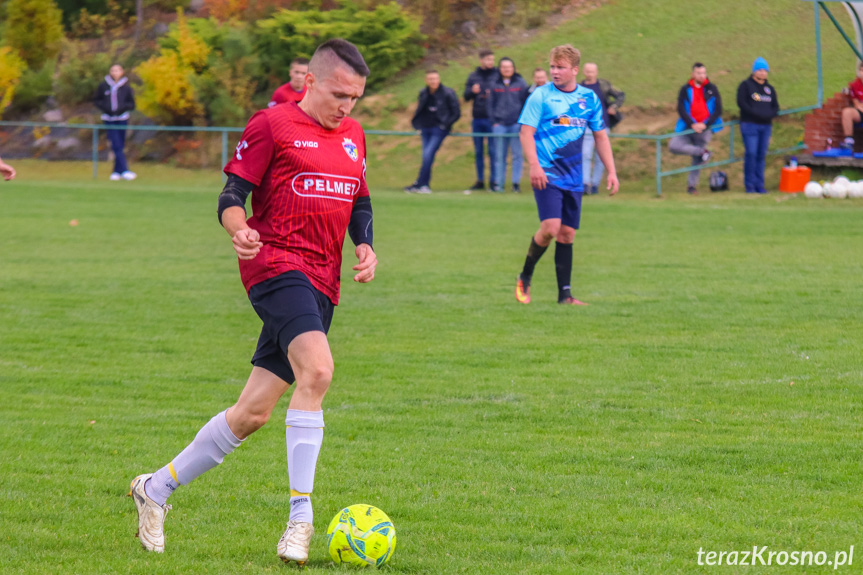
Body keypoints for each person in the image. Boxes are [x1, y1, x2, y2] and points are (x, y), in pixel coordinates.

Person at [128, 39, 377, 567]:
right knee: (318, 371)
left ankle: (155, 488)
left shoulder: (353, 134)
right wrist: (239, 230)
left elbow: (359, 197)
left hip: (323, 280)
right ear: (310, 81)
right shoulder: (271, 125)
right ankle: (300, 520)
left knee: (253, 413)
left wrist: (365, 243)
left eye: (356, 97)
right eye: (339, 94)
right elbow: (230, 196)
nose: (347, 107)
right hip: (275, 265)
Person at [515, 44, 619, 306]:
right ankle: (525, 274)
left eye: (560, 67)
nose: (555, 71)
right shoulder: (540, 95)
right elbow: (525, 133)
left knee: (567, 234)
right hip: (547, 174)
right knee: (550, 228)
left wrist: (612, 171)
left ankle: (565, 296)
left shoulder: (589, 99)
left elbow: (600, 136)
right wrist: (534, 165)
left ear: (574, 70)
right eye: (552, 66)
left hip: (573, 177)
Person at [668, 62, 723, 195]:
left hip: (705, 128)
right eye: (699, 73)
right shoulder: (685, 89)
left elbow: (718, 109)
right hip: (688, 127)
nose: (702, 75)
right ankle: (702, 152)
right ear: (693, 74)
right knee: (673, 145)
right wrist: (692, 124)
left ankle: (692, 186)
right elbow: (681, 108)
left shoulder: (712, 89)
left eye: (704, 73)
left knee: (696, 160)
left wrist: (705, 124)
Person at [404, 70, 461, 194]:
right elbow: (420, 110)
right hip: (426, 128)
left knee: (428, 155)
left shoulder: (448, 93)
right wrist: (417, 124)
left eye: (435, 78)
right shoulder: (424, 93)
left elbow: (456, 112)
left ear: (439, 79)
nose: (433, 81)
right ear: (426, 80)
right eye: (430, 79)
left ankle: (421, 184)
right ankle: (422, 184)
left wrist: (444, 125)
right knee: (426, 156)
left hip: (439, 129)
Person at [579, 62, 625, 195]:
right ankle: (585, 183)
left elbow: (621, 95)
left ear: (596, 72)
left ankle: (595, 185)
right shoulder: (579, 88)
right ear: (583, 72)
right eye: (587, 71)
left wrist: (614, 107)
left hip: (602, 124)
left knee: (601, 156)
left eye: (592, 71)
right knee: (586, 153)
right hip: (586, 126)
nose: (589, 74)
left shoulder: (604, 85)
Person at [737, 57, 779, 194]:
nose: (762, 73)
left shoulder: (769, 89)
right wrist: (756, 114)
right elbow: (742, 103)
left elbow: (775, 107)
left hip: (765, 126)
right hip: (750, 125)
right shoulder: (745, 86)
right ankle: (749, 185)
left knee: (761, 155)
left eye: (765, 70)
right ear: (754, 71)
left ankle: (759, 185)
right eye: (760, 70)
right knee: (751, 153)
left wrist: (769, 115)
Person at [488, 57, 529, 193]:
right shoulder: (494, 84)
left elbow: (526, 103)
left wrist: (522, 122)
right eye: (504, 67)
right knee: (500, 156)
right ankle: (499, 184)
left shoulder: (520, 83)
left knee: (517, 155)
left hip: (516, 125)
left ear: (513, 68)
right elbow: (490, 104)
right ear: (500, 69)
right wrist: (494, 121)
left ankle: (515, 183)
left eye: (509, 67)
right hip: (499, 125)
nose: (506, 69)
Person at [94, 64, 136, 181]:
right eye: (113, 70)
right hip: (109, 119)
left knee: (121, 145)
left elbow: (131, 104)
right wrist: (107, 108)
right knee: (115, 143)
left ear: (122, 72)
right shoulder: (103, 86)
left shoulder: (126, 87)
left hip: (122, 119)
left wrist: (121, 109)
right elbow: (97, 100)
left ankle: (116, 171)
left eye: (117, 70)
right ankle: (125, 170)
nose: (115, 72)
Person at [464, 49, 498, 192]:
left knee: (493, 151)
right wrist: (473, 91)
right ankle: (480, 181)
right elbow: (465, 96)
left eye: (492, 59)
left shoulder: (497, 75)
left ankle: (494, 181)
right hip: (477, 119)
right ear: (481, 60)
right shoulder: (473, 76)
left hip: (492, 120)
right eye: (488, 59)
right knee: (478, 152)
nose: (490, 62)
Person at [839, 61, 863, 151]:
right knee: (847, 112)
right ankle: (848, 142)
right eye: (861, 70)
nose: (862, 73)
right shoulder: (855, 85)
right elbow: (856, 104)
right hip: (861, 111)